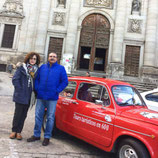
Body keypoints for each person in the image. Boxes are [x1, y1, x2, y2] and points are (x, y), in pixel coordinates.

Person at [27, 52, 68, 146]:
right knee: (38, 116)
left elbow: (65, 81)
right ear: (48, 57)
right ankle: (36, 135)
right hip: (41, 96)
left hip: (52, 98)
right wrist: (37, 88)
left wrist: (57, 90)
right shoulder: (42, 67)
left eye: (54, 56)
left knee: (50, 118)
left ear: (57, 58)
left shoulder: (61, 69)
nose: (52, 58)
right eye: (50, 56)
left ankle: (47, 137)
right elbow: (36, 79)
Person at [9, 52, 40, 140]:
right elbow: (15, 79)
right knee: (17, 114)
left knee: (23, 115)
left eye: (34, 59)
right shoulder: (22, 68)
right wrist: (20, 89)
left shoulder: (37, 70)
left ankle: (19, 132)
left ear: (36, 60)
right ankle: (13, 131)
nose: (32, 60)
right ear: (28, 59)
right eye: (31, 58)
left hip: (29, 97)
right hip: (20, 95)